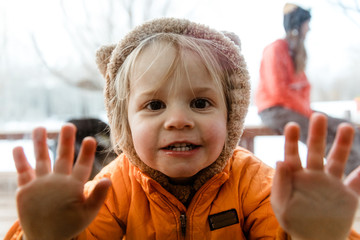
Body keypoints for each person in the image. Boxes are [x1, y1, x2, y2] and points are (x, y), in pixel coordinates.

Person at [5, 17, 360, 239]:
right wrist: (43, 235)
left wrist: (319, 235)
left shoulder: (254, 184)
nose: (178, 120)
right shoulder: (113, 190)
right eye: (154, 105)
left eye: (200, 103)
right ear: (124, 122)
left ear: (231, 115)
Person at [255, 3, 360, 175]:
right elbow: (278, 91)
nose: (309, 28)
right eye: (306, 24)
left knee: (344, 127)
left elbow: (304, 88)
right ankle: (352, 180)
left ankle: (356, 169)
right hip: (274, 110)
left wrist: (307, 110)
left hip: (296, 109)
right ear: (297, 25)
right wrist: (306, 112)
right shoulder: (275, 49)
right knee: (320, 135)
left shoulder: (295, 52)